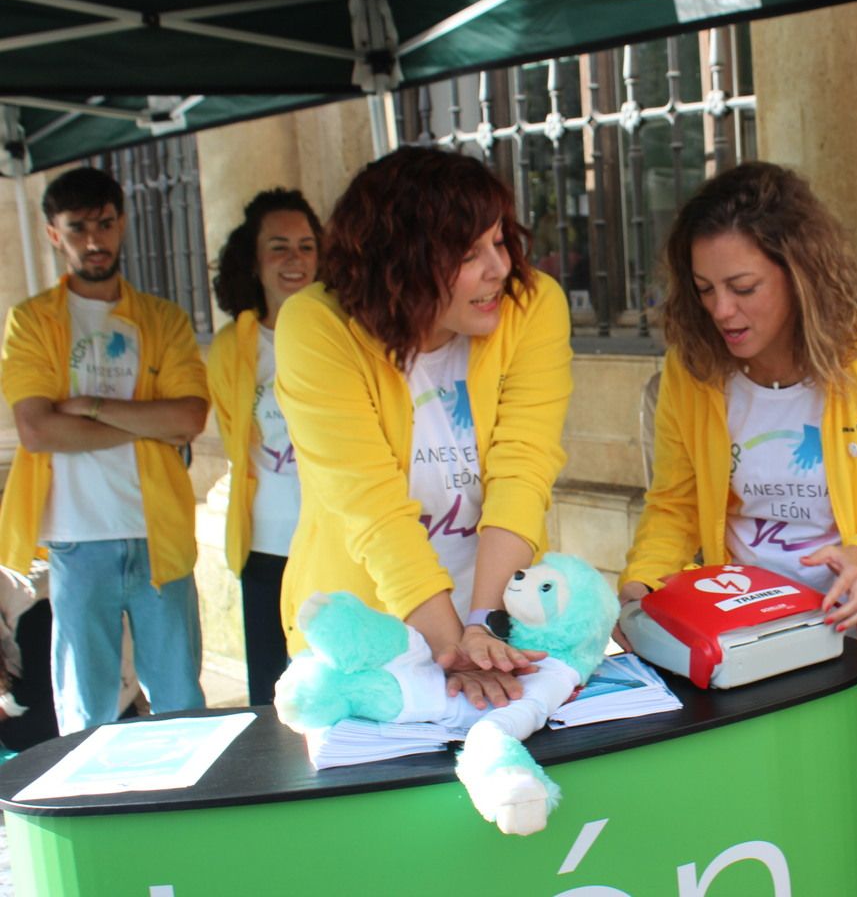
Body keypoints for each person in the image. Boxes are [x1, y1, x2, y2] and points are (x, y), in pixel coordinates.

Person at [619, 161, 857, 897]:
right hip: (746, 649)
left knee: (856, 854)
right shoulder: (694, 371)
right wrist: (640, 589)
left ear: (800, 272)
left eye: (743, 287)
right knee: (763, 849)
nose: (722, 309)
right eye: (705, 288)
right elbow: (674, 506)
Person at [275, 147, 572, 708]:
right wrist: (452, 646)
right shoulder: (317, 326)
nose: (500, 268)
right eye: (468, 253)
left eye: (499, 240)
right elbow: (374, 512)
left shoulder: (533, 306)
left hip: (503, 627)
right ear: (400, 263)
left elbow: (523, 471)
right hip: (366, 636)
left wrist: (487, 626)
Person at [0, 166, 208, 734]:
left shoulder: (163, 319)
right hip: (76, 535)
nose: (94, 241)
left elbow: (190, 417)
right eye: (77, 228)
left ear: (122, 223)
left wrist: (87, 405)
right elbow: (38, 430)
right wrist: (149, 423)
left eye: (106, 224)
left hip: (158, 531)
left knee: (180, 698)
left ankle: (191, 812)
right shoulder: (32, 321)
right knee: (84, 704)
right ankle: (89, 811)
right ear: (52, 234)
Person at [207, 189, 322, 705]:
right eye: (279, 247)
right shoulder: (233, 345)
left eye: (306, 245)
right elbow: (234, 431)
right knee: (272, 693)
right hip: (265, 545)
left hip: (333, 541)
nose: (295, 259)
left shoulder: (342, 333)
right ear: (253, 260)